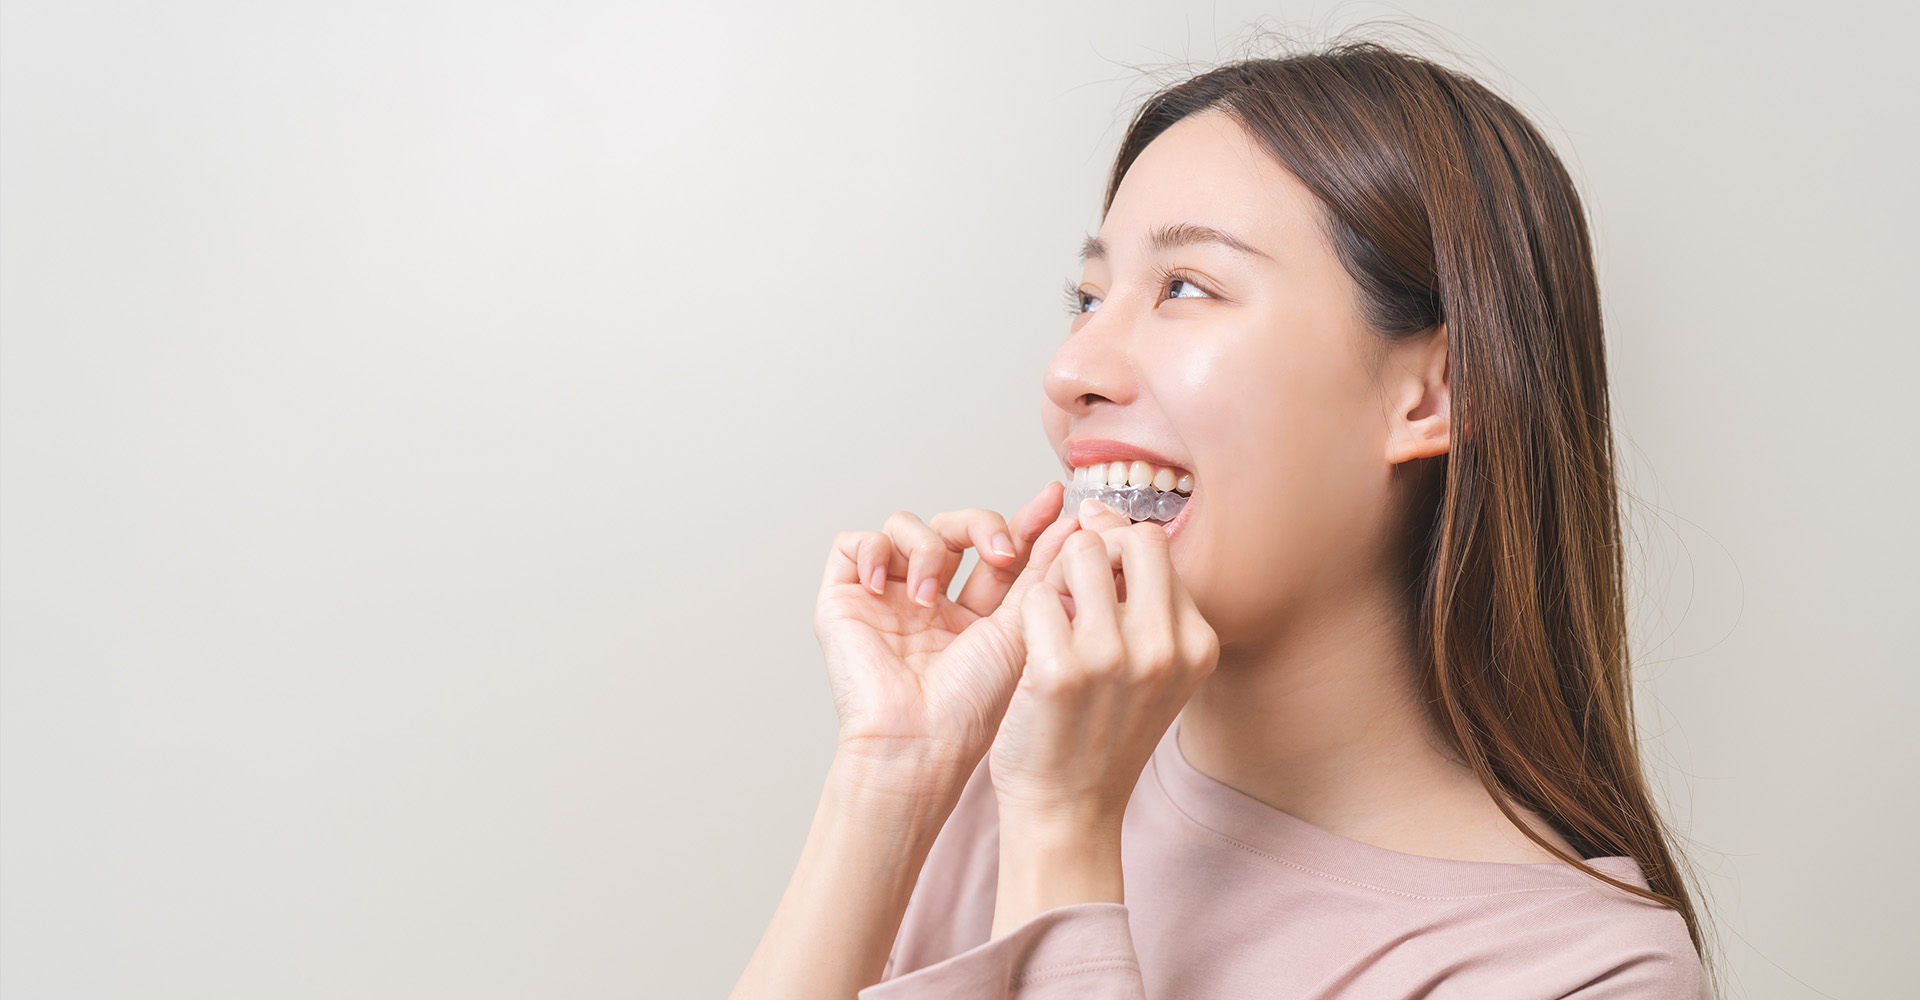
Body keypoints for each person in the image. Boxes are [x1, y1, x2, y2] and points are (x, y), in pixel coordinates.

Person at [729, 41, 1710, 999]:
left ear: (1433, 393)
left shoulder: (1584, 972)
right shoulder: (1013, 764)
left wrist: (1066, 833)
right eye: (1086, 297)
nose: (1071, 373)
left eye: (1186, 287)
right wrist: (894, 776)